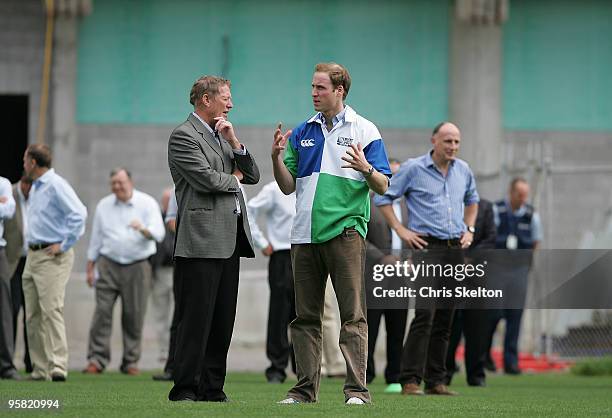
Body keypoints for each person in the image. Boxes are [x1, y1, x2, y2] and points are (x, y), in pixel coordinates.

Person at [272, 62, 391, 405]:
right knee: (305, 318)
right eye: (312, 87)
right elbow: (287, 186)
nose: (314, 93)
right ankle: (304, 391)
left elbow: (382, 185)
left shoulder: (365, 130)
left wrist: (366, 168)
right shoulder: (300, 132)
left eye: (320, 88)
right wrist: (276, 158)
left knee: (352, 316)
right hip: (304, 235)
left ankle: (357, 391)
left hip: (346, 233)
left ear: (339, 91)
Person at [167, 75, 260, 402]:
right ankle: (185, 388)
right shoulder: (183, 136)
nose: (230, 104)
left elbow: (253, 175)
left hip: (230, 240)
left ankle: (212, 388)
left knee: (222, 320)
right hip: (200, 240)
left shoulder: (222, 135)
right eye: (226, 97)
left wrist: (235, 143)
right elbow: (206, 180)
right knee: (195, 319)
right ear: (206, 99)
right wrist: (234, 178)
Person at [375, 121, 479, 396]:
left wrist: (470, 229)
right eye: (448, 141)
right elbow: (383, 198)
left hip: (454, 248)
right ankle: (409, 379)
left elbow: (473, 200)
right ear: (434, 141)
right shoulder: (413, 168)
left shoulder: (464, 170)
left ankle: (436, 380)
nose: (453, 147)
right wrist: (400, 229)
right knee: (424, 313)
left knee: (446, 316)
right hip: (426, 247)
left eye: (456, 142)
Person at [83, 168, 165, 375]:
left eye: (121, 182)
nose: (117, 187)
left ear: (130, 182)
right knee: (102, 312)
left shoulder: (146, 203)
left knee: (133, 315)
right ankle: (97, 359)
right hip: (108, 264)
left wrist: (143, 229)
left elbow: (159, 234)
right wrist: (90, 265)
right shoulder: (104, 205)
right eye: (113, 183)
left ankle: (130, 361)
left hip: (137, 265)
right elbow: (96, 237)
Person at [22, 143, 87, 381]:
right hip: (33, 256)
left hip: (52, 256)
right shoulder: (37, 187)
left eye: (25, 161)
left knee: (51, 310)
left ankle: (58, 366)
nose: (23, 165)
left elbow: (79, 214)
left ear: (33, 163)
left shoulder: (55, 185)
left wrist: (65, 244)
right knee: (33, 315)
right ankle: (40, 369)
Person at [485, 177, 542, 375]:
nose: (523, 198)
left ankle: (511, 362)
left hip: (518, 271)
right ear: (511, 193)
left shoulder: (531, 215)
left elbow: (535, 242)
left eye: (525, 195)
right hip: (498, 270)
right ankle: (485, 354)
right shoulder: (496, 210)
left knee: (515, 315)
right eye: (520, 194)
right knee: (494, 313)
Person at [365, 158, 408, 392]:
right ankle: (365, 375)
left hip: (401, 276)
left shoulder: (408, 206)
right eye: (391, 174)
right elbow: (359, 236)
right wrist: (382, 257)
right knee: (370, 326)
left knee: (397, 326)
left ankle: (395, 376)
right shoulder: (368, 203)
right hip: (374, 275)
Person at [247, 181, 296, 383]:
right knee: (280, 313)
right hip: (283, 255)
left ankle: (305, 367)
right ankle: (277, 367)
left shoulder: (312, 182)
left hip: (308, 253)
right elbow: (249, 210)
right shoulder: (274, 189)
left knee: (306, 314)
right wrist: (261, 242)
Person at [445, 198, 496, 387]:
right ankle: (444, 373)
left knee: (477, 328)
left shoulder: (486, 207)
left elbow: (490, 239)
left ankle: (476, 375)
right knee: (450, 326)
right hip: (450, 274)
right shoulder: (448, 204)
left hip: (477, 277)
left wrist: (470, 260)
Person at [3, 176, 33, 375]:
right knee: (10, 310)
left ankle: (32, 361)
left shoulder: (42, 196)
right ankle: (8, 361)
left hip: (34, 260)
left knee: (31, 312)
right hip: (11, 260)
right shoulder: (10, 191)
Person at [150, 187, 176, 363]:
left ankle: (175, 349)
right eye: (166, 200)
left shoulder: (179, 218)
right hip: (160, 271)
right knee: (161, 313)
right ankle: (163, 350)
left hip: (177, 270)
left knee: (176, 312)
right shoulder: (156, 219)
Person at [0, 175, 17, 380]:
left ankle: (6, 366)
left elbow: (9, 210)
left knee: (4, 308)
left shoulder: (3, 183)